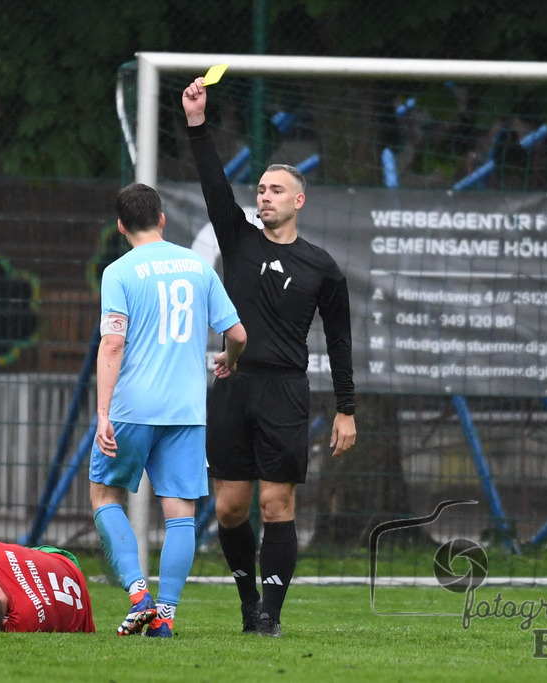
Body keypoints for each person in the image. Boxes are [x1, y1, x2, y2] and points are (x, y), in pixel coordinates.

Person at [182, 78, 357, 637]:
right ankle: (245, 603)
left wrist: (346, 409)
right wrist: (197, 122)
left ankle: (270, 618)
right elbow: (213, 184)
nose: (264, 195)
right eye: (260, 188)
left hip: (285, 390)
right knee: (231, 509)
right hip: (234, 386)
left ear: (298, 200)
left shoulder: (321, 267)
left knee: (278, 506)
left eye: (276, 190)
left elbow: (341, 339)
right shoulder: (238, 239)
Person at [90, 182, 247, 639]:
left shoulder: (119, 272)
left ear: (121, 227)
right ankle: (165, 617)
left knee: (105, 496)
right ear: (161, 218)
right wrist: (227, 362)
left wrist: (103, 413)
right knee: (179, 512)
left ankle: (139, 596)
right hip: (185, 411)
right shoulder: (197, 267)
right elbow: (236, 334)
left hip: (133, 409)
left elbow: (113, 344)